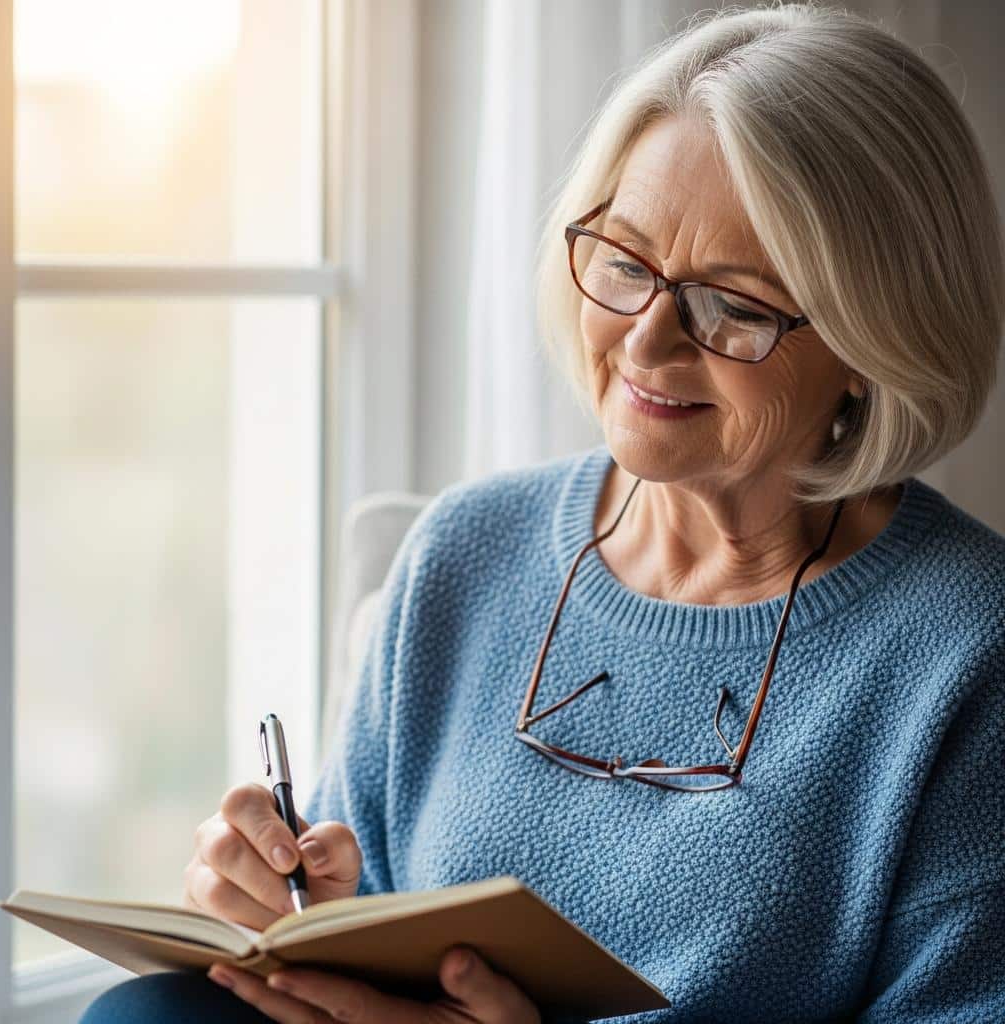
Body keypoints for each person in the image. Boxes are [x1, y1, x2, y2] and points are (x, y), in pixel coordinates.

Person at [80, 3, 1005, 1021]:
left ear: (876, 340)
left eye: (731, 303)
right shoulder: (465, 549)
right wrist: (283, 899)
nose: (646, 342)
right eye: (623, 261)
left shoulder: (966, 645)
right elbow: (357, 911)